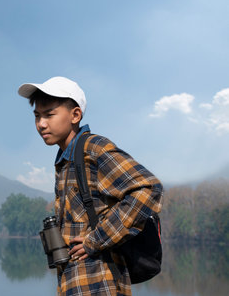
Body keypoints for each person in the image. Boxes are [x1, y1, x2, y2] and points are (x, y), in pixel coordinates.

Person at [17, 76, 163, 296]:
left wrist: (95, 240)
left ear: (75, 115)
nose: (41, 124)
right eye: (37, 116)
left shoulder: (93, 148)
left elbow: (148, 188)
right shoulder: (65, 160)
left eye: (49, 114)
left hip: (99, 283)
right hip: (76, 283)